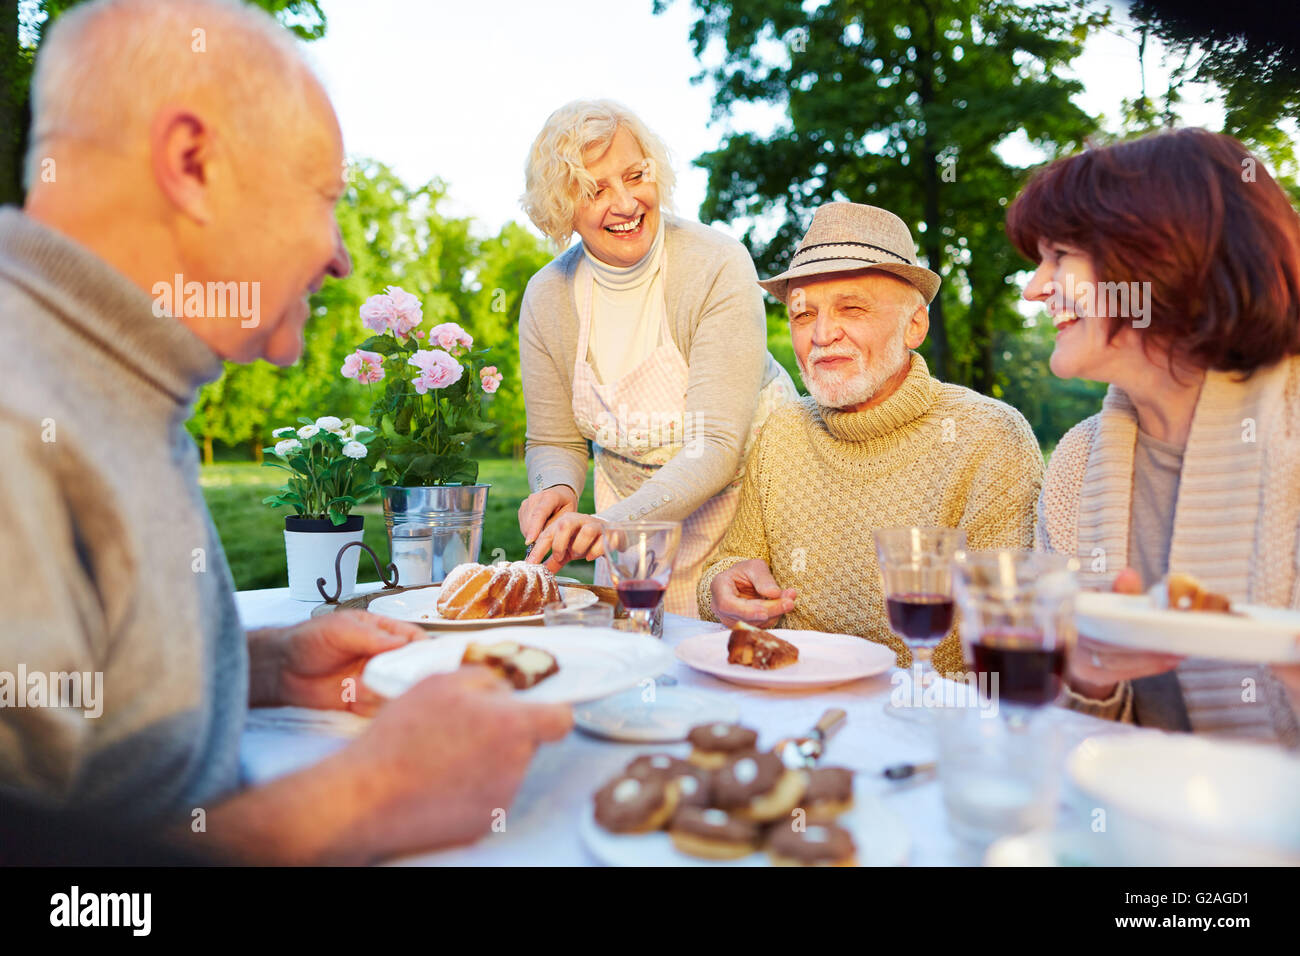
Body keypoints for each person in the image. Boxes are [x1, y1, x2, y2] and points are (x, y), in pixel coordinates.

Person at [0, 0, 570, 864]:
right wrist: (362, 799)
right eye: (325, 198)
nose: (340, 255)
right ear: (192, 163)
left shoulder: (109, 373)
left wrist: (265, 667)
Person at [1009, 127, 1300, 747]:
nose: (1035, 287)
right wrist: (1087, 680)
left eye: (1060, 256)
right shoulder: (1078, 464)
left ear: (1160, 259)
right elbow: (1060, 742)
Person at [699, 202, 1044, 673]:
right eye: (802, 315)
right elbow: (733, 563)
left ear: (915, 325)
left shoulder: (991, 439)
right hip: (788, 704)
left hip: (927, 724)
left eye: (852, 308)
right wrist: (720, 586)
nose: (822, 334)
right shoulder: (783, 430)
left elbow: (1005, 650)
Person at [516, 100, 797, 615]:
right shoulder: (547, 297)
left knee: (736, 674)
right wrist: (553, 487)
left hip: (745, 522)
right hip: (628, 543)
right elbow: (553, 439)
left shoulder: (715, 264)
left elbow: (713, 443)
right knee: (636, 666)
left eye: (635, 175)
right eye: (595, 190)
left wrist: (616, 523)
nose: (625, 203)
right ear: (561, 207)